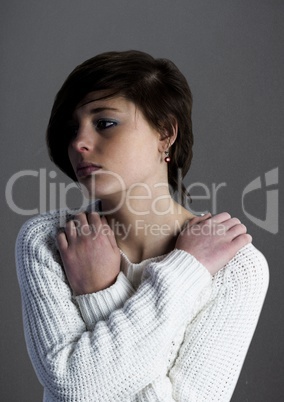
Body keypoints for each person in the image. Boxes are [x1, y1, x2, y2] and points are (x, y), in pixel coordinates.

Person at [16, 50, 269, 401]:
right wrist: (187, 271)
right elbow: (71, 387)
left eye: (104, 122)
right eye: (72, 129)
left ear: (165, 133)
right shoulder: (47, 241)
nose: (78, 143)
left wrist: (99, 291)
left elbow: (82, 384)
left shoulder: (236, 266)